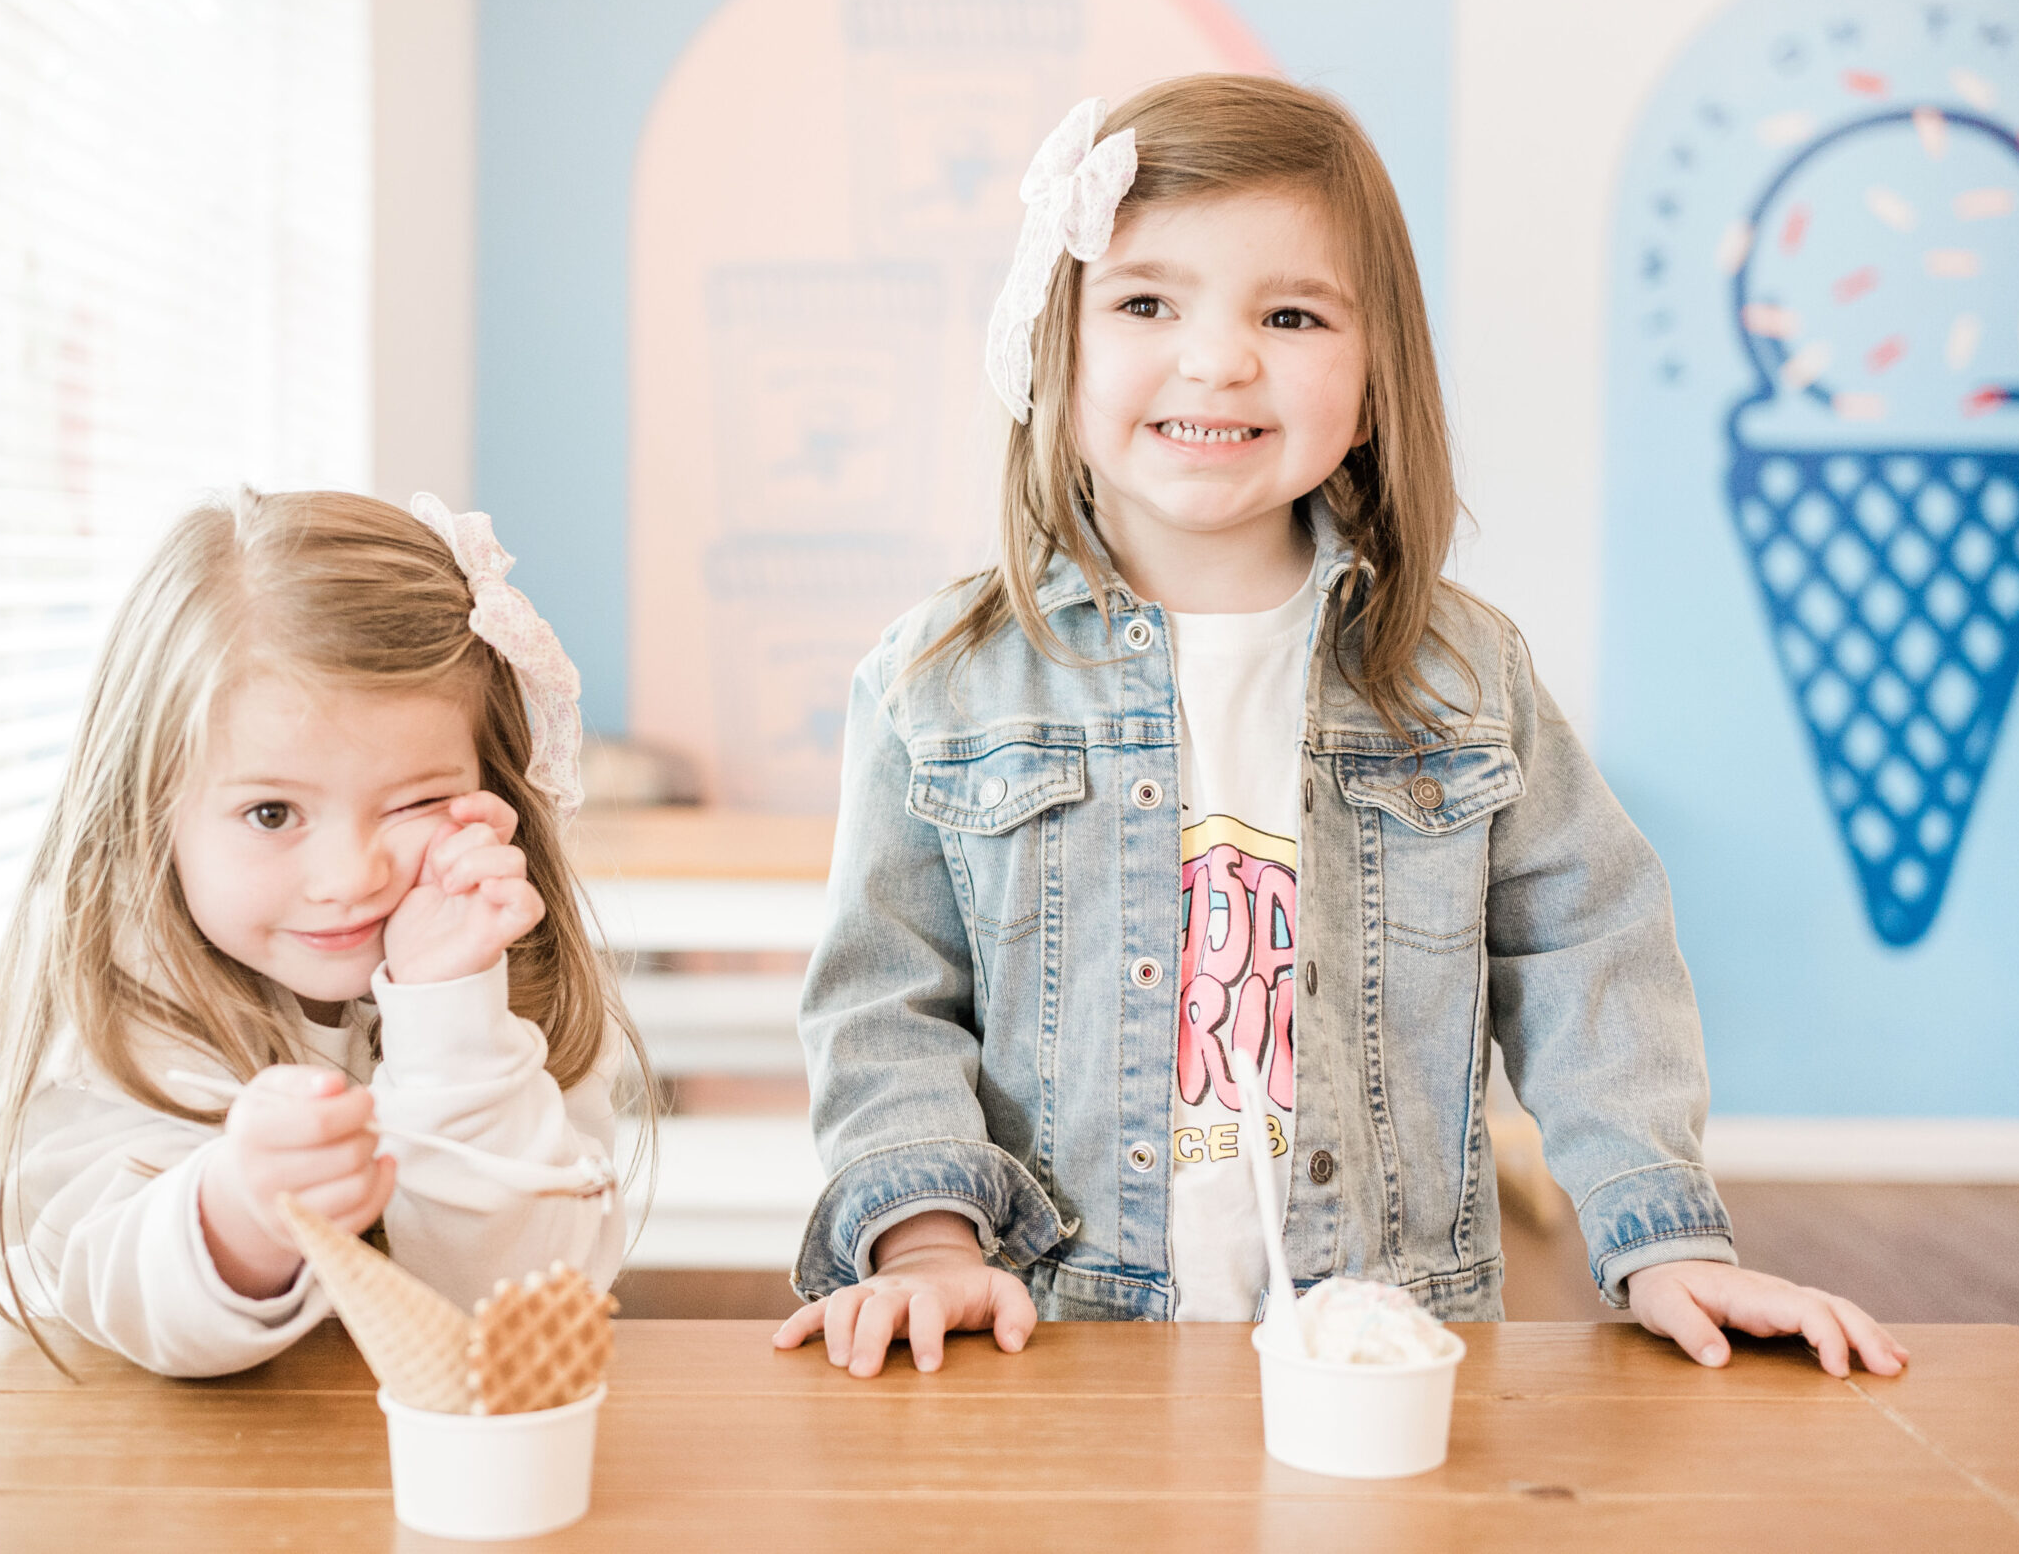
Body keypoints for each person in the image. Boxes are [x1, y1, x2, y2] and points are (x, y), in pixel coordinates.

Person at [773, 77, 1905, 1381]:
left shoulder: (1459, 672)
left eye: (1291, 313)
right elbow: (884, 992)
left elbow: (1591, 945)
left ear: (1370, 385)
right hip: (1050, 1338)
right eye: (1147, 301)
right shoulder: (940, 676)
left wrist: (1667, 1238)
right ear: (1054, 347)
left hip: (1392, 1341)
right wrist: (924, 1245)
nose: (1217, 357)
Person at [0, 489, 641, 1376]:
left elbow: (515, 1305)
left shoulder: (506, 969)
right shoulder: (109, 1009)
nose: (351, 877)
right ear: (153, 808)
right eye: (272, 812)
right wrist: (236, 1215)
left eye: (420, 801)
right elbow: (106, 1273)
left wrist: (450, 1014)